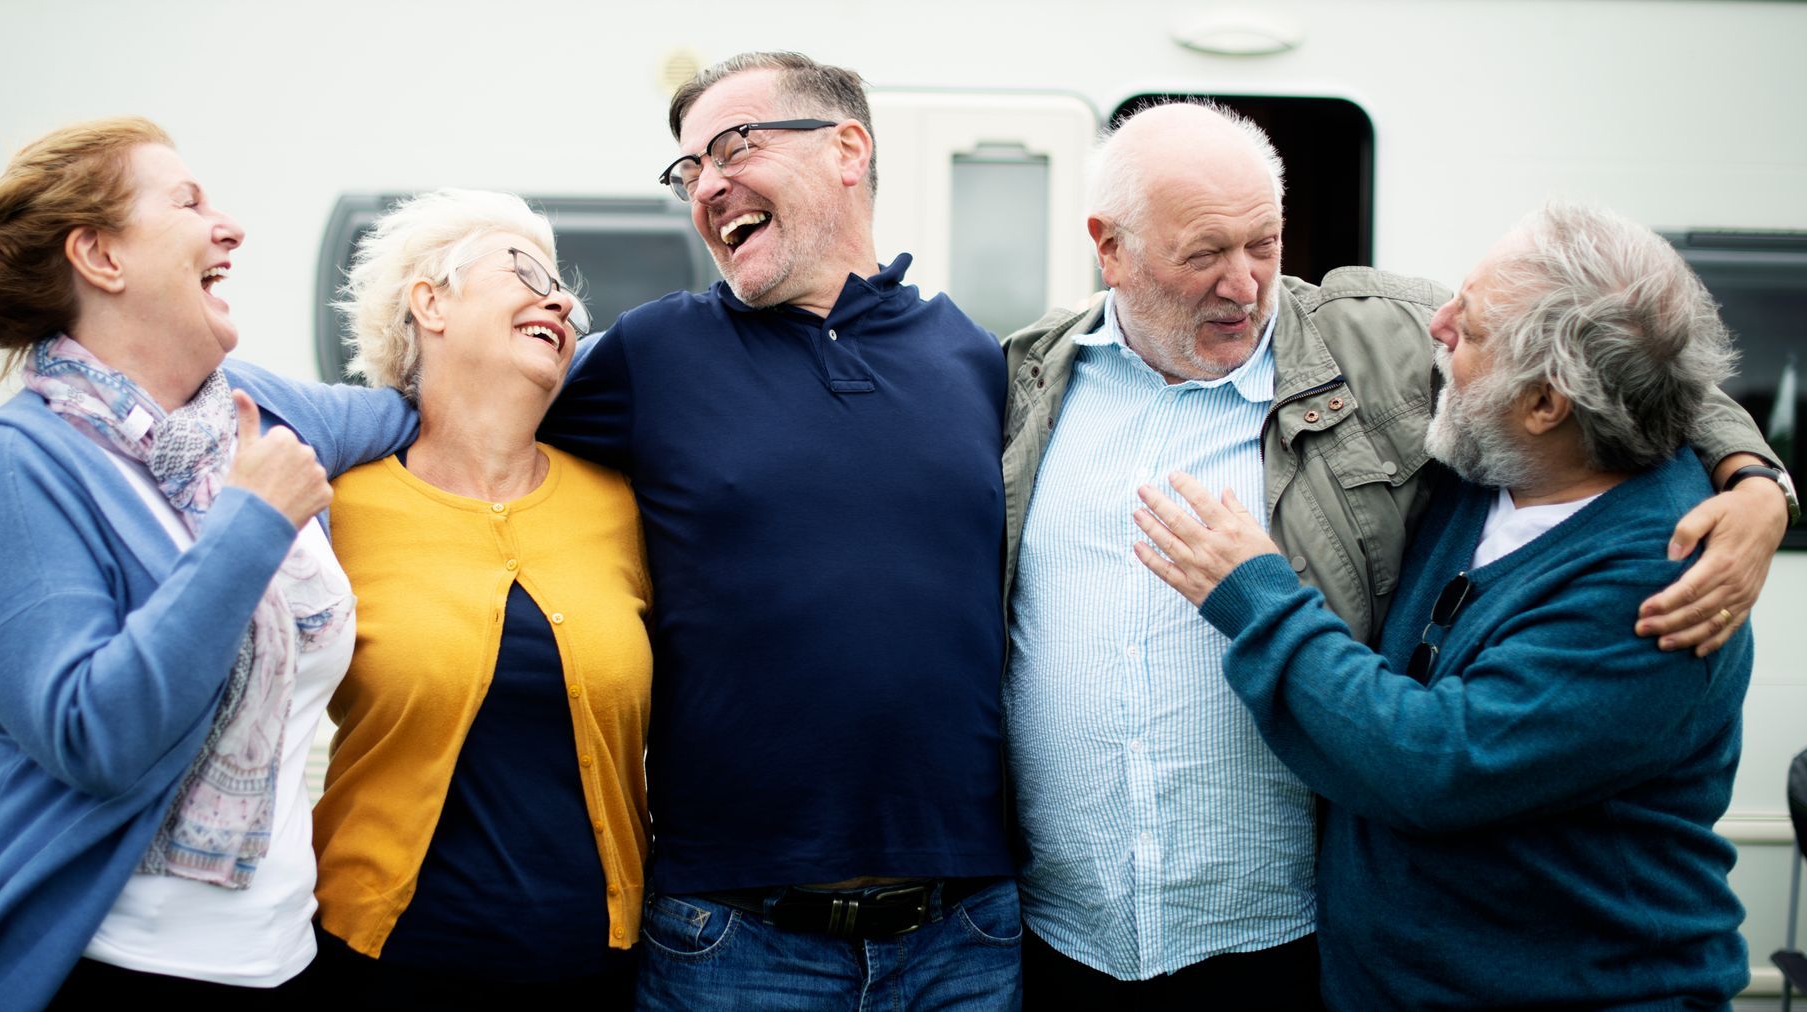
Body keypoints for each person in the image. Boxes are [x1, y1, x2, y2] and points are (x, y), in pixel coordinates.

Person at [999, 102, 1794, 1006]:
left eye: (1264, 242)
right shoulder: (1028, 378)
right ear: (1110, 249)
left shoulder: (1385, 349)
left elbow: (1635, 357)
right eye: (1205, 253)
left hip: (1287, 942)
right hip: (1066, 935)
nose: (1246, 283)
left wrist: (1755, 479)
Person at [1133, 201, 1756, 1009]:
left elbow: (1434, 765)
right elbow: (1659, 368)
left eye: (1476, 325)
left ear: (1546, 405)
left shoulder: (1660, 578)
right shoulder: (1496, 464)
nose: (1440, 323)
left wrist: (1257, 594)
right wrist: (1760, 476)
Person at [542, 52, 1020, 1009]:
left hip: (963, 932)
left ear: (848, 149)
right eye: (688, 172)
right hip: (733, 936)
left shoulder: (969, 355)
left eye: (733, 147)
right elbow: (461, 428)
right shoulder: (654, 354)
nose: (708, 187)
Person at [0, 117, 414, 1011]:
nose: (231, 227)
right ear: (100, 255)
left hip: (282, 963)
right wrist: (249, 525)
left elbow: (439, 406)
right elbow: (97, 736)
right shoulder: (3, 467)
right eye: (189, 202)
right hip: (92, 972)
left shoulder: (250, 410)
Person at [308, 189, 649, 1008]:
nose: (561, 299)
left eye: (565, 288)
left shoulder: (624, 506)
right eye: (524, 271)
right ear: (430, 303)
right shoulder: (334, 506)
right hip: (378, 964)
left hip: (602, 973)